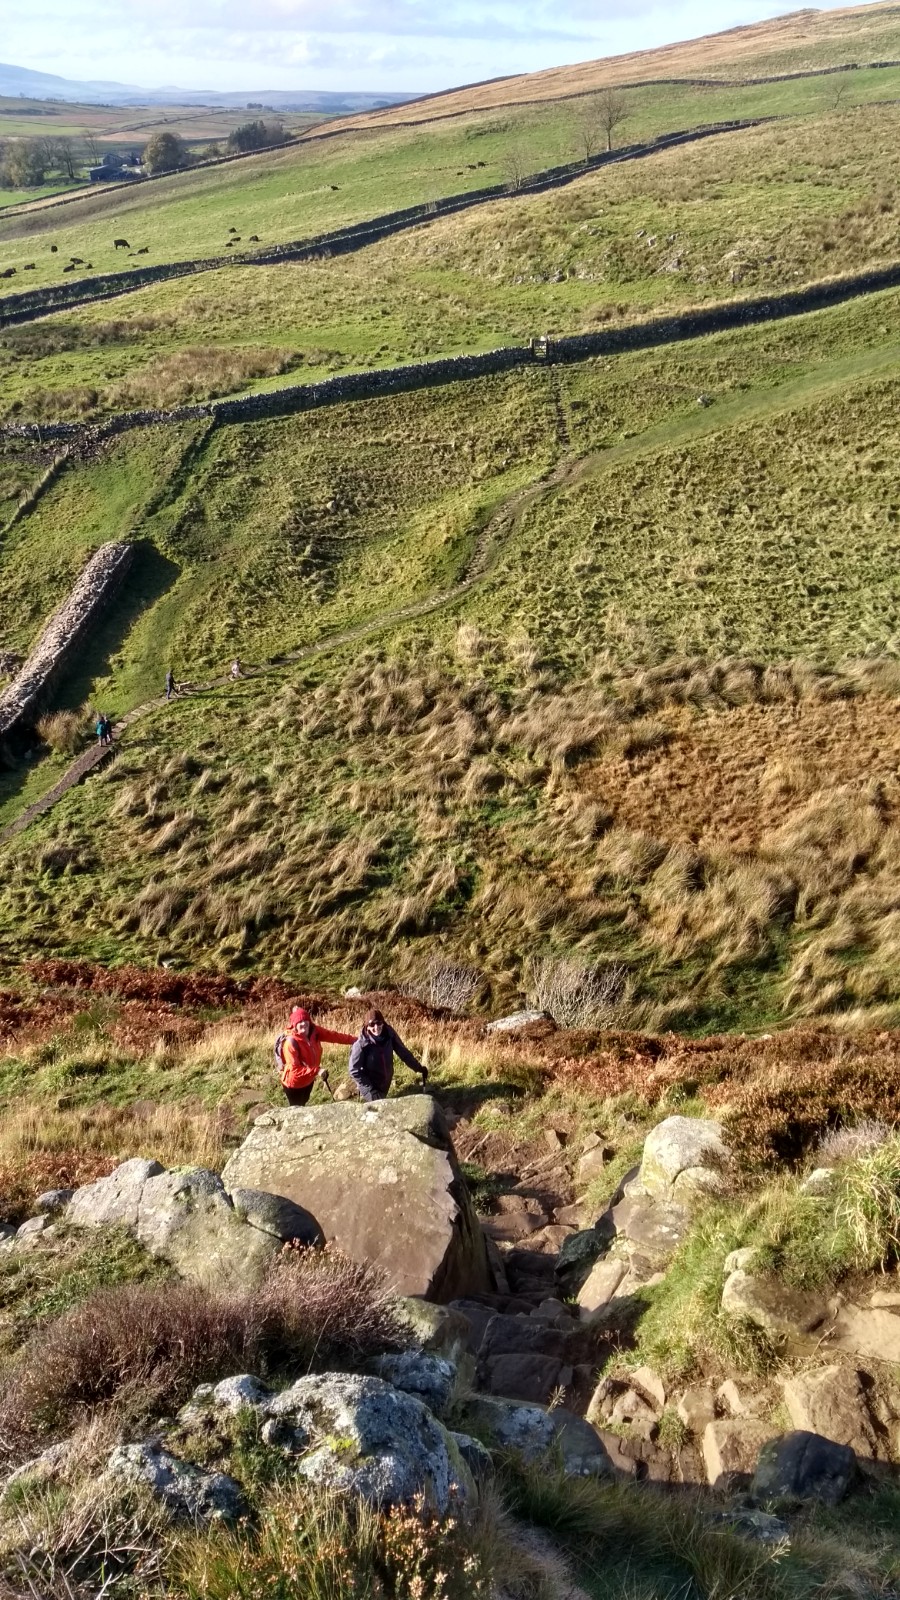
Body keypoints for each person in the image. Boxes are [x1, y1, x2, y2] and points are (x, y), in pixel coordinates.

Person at [275, 1006, 356, 1107]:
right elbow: (295, 1070)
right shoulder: (290, 1043)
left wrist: (355, 1040)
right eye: (299, 1022)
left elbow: (334, 1036)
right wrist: (317, 1071)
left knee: (304, 1103)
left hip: (309, 1079)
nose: (303, 1023)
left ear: (309, 1021)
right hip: (294, 1083)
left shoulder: (315, 1032)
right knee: (296, 1108)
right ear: (294, 1025)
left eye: (305, 1020)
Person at [349, 1008, 429, 1103]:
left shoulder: (389, 1035)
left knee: (383, 1104)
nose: (376, 1027)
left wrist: (418, 1068)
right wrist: (370, 1089)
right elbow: (354, 1070)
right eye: (372, 1024)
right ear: (367, 1026)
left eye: (379, 1023)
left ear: (383, 1023)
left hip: (386, 1082)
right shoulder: (361, 1045)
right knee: (379, 1110)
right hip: (370, 1086)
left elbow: (403, 1053)